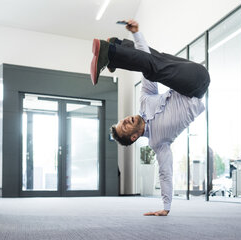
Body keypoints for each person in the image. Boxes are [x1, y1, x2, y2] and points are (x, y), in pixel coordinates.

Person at [90, 20, 210, 216]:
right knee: (154, 67)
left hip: (188, 71)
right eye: (125, 127)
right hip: (196, 87)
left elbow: (146, 59)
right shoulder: (159, 142)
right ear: (133, 138)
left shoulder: (145, 101)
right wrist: (166, 207)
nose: (126, 120)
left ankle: (116, 46)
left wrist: (136, 34)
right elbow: (165, 172)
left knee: (152, 63)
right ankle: (110, 53)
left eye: (123, 120)